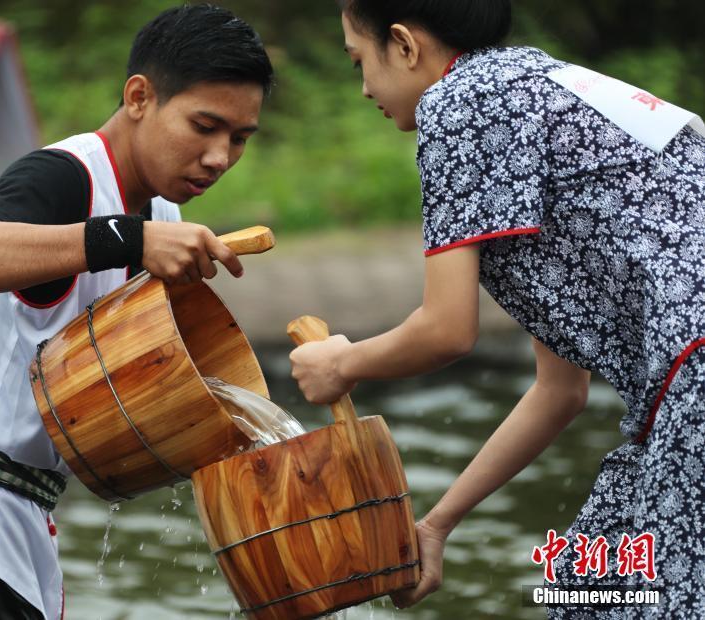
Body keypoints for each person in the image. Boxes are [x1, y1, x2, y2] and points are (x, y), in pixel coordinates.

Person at [289, 0, 705, 617]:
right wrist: (436, 525)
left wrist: (344, 364)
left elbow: (446, 331)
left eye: (359, 62)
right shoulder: (530, 84)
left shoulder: (460, 103)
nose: (363, 89)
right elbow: (559, 391)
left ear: (403, 45)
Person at [0, 5, 273, 618]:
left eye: (239, 138)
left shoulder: (162, 215)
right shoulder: (65, 176)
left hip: (16, 515)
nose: (220, 156)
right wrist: (125, 240)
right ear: (139, 96)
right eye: (205, 126)